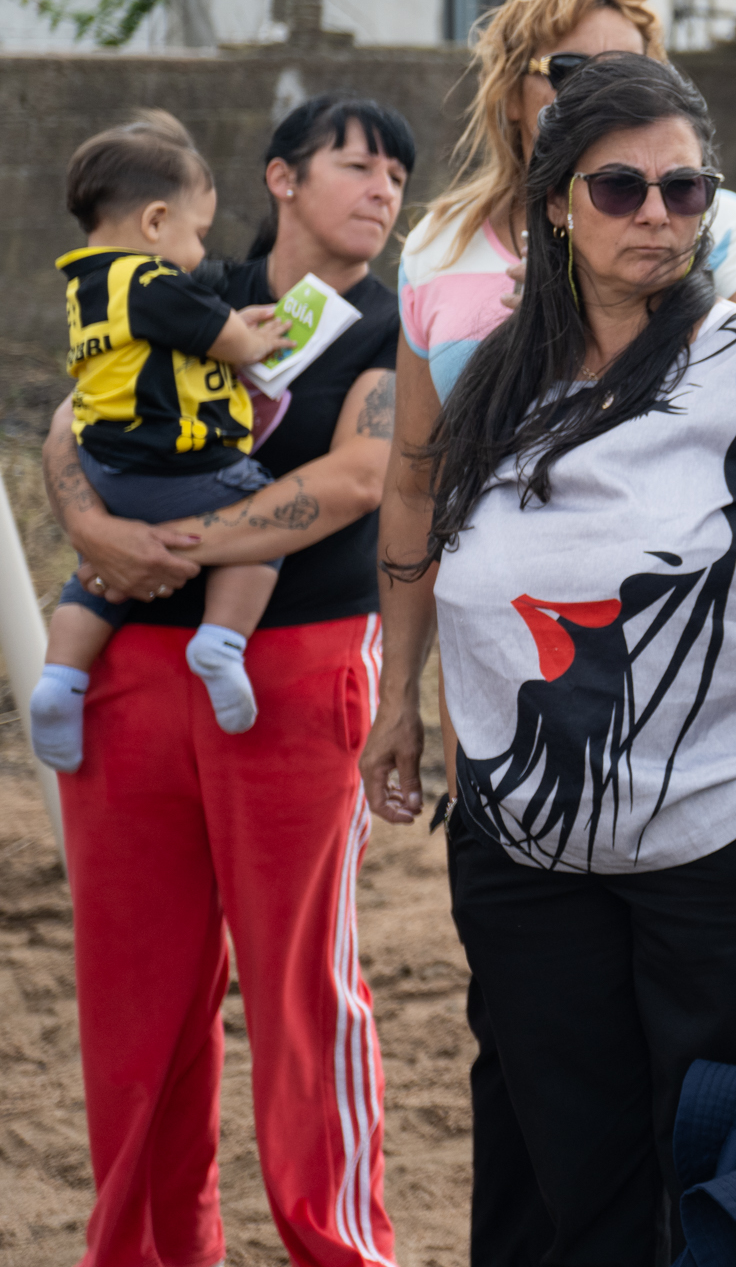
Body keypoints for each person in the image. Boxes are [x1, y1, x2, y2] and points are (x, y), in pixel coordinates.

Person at [359, 55, 736, 1265]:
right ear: (556, 205)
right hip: (521, 850)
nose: (656, 213)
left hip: (722, 846)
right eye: (620, 187)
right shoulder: (494, 375)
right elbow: (427, 530)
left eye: (684, 188)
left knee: (721, 1172)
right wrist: (401, 695)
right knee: (572, 1171)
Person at [43, 92, 419, 1267]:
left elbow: (360, 477)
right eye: (357, 164)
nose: (382, 189)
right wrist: (90, 528)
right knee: (135, 988)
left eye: (397, 177)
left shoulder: (392, 329)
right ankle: (147, 1249)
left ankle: (337, 1246)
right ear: (281, 177)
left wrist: (175, 544)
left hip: (298, 665)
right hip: (134, 670)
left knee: (301, 985)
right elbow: (69, 421)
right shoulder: (189, 279)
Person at [397, 0, 736, 403]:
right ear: (509, 93)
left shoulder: (723, 226)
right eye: (569, 71)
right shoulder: (438, 245)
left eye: (626, 72)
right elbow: (417, 448)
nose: (602, 96)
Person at [33, 115, 290, 766]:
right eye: (197, 235)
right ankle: (221, 642)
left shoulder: (91, 286)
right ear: (154, 223)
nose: (201, 253)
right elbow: (226, 336)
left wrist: (228, 328)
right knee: (266, 515)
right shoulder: (150, 280)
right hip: (173, 467)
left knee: (99, 577)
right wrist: (252, 338)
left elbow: (179, 339)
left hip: (105, 466)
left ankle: (59, 681)